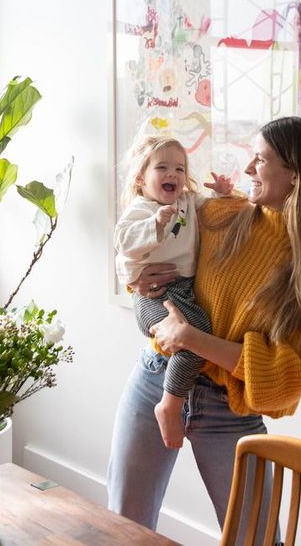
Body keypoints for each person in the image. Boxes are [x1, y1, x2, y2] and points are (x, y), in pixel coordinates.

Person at [107, 117, 301, 541]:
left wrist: (194, 340)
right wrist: (137, 286)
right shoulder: (226, 215)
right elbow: (150, 254)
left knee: (255, 539)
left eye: (260, 159)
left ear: (295, 173)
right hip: (155, 378)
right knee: (123, 529)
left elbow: (289, 378)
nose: (246, 170)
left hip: (229, 409)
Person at [114, 135, 233, 449]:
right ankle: (169, 405)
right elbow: (124, 242)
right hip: (155, 296)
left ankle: (171, 402)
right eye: (163, 168)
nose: (173, 175)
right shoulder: (141, 209)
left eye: (180, 169)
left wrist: (222, 195)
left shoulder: (185, 202)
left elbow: (210, 212)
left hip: (182, 290)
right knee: (194, 338)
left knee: (198, 335)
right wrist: (154, 223)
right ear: (141, 180)